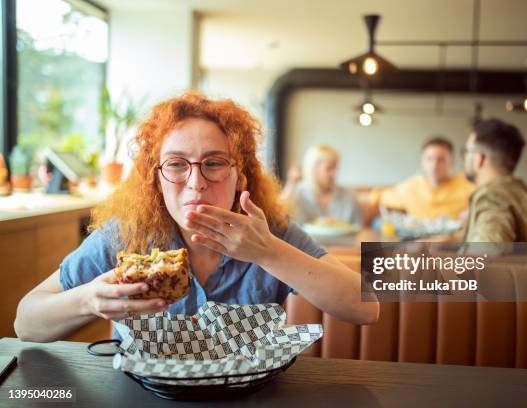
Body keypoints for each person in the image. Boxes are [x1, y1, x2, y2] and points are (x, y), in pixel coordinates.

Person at [14, 93, 379, 342]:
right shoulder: (125, 237)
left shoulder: (269, 234)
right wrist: (89, 300)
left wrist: (268, 252)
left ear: (241, 175)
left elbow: (366, 309)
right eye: (176, 164)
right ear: (155, 179)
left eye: (214, 163)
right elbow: (26, 323)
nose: (195, 183)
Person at [462, 118, 527, 242]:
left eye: (466, 151)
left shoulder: (491, 197)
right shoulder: (520, 191)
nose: (464, 157)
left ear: (479, 158)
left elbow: (486, 255)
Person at [369, 136, 474, 221]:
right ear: (422, 162)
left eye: (441, 159)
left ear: (451, 163)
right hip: (419, 243)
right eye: (429, 159)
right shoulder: (411, 187)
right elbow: (377, 196)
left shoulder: (466, 183)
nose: (434, 165)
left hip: (454, 243)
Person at [281, 144, 362, 226]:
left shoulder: (348, 196)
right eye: (329, 168)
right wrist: (291, 184)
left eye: (336, 168)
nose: (335, 174)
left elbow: (358, 228)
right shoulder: (297, 193)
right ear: (313, 169)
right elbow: (279, 215)